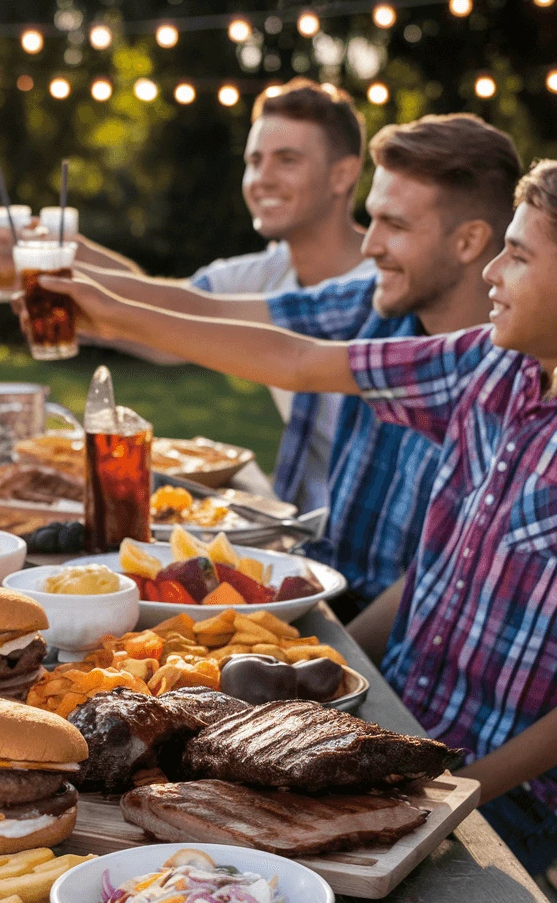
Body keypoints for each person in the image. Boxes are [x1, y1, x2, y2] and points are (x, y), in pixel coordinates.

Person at [45, 157, 557, 876]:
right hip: (388, 724)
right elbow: (298, 358)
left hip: (504, 799)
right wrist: (107, 309)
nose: (493, 272)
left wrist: (462, 793)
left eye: (520, 254)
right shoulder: (491, 365)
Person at [34, 114, 522, 620]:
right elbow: (215, 312)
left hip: (380, 626)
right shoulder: (374, 301)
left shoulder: (501, 373)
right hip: (322, 585)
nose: (371, 245)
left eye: (394, 225)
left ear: (468, 242)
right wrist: (98, 299)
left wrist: (114, 314)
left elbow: (298, 363)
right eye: (371, 218)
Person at [75, 79, 375, 512]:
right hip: (301, 520)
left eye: (287, 160)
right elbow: (172, 307)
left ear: (343, 174)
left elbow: (182, 312)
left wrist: (79, 279)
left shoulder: (382, 286)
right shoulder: (268, 269)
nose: (261, 179)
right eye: (255, 161)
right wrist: (70, 251)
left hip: (378, 547)